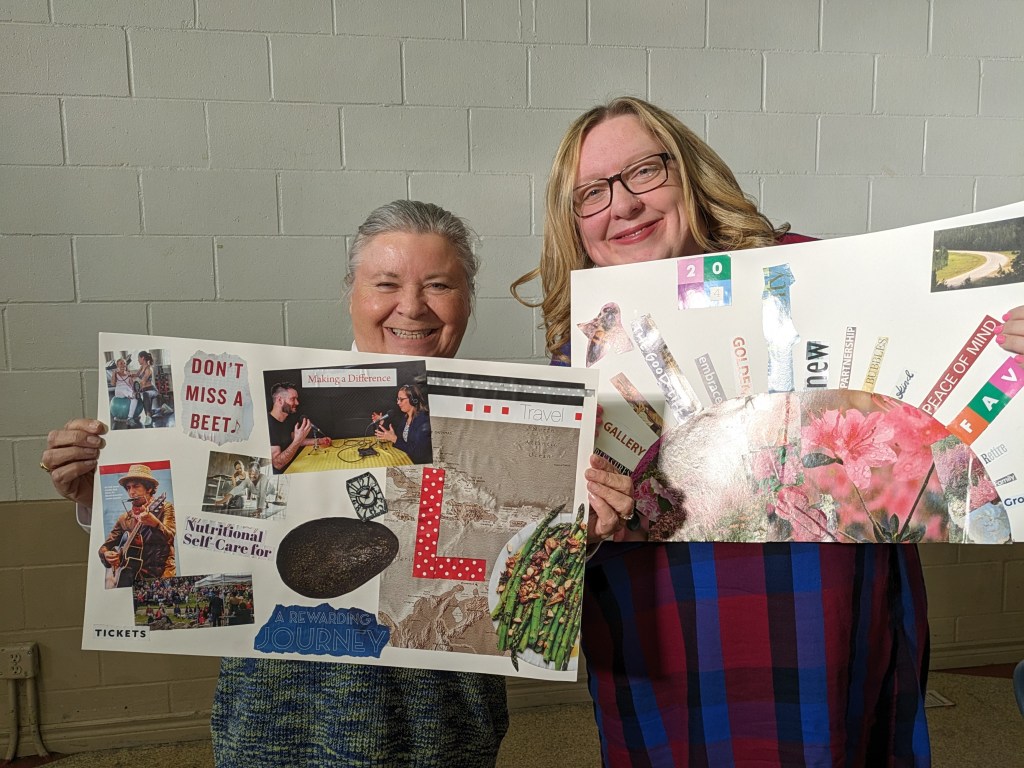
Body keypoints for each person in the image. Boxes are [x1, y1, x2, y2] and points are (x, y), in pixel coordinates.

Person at [513, 96, 1024, 767]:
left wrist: (1004, 328)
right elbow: (550, 546)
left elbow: (951, 313)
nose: (624, 204)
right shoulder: (584, 343)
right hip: (657, 630)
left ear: (689, 174)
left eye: (644, 172)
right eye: (593, 193)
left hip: (815, 614)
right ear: (574, 222)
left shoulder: (802, 271)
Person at [47, 199, 624, 767]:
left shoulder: (516, 422)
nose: (412, 307)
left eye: (439, 285)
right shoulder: (264, 406)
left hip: (445, 733)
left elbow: (514, 566)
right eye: (387, 283)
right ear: (351, 291)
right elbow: (189, 568)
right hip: (275, 731)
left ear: (468, 299)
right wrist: (94, 496)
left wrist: (581, 532)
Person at [98, 463, 176, 587]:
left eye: (136, 486)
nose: (131, 492)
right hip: (132, 577)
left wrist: (155, 523)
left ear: (149, 488)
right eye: (128, 488)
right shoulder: (124, 518)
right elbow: (105, 547)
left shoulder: (164, 507)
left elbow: (171, 536)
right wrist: (106, 555)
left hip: (162, 573)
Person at [267, 382, 331, 474]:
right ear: (280, 400)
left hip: (294, 466)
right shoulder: (268, 425)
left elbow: (295, 439)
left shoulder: (287, 419)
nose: (297, 402)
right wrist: (298, 440)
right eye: (293, 399)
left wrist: (319, 441)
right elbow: (277, 464)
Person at [373, 383, 432, 464]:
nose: (398, 402)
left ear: (413, 400)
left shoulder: (424, 421)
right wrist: (383, 423)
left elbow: (418, 453)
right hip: (405, 457)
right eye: (398, 399)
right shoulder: (406, 417)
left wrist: (394, 439)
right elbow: (402, 440)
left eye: (401, 399)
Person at [108, 356, 142, 428]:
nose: (123, 365)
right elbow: (113, 384)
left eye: (124, 363)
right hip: (119, 391)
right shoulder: (116, 373)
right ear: (117, 365)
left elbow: (130, 384)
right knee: (125, 390)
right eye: (121, 363)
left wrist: (131, 378)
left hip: (128, 390)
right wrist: (114, 374)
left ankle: (130, 418)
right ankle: (133, 394)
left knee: (135, 399)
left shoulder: (128, 373)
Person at [135, 351, 160, 426]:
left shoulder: (148, 369)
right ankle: (162, 409)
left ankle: (148, 417)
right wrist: (127, 375)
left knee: (145, 394)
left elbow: (142, 382)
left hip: (152, 390)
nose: (138, 360)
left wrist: (134, 388)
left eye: (138, 358)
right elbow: (136, 375)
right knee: (148, 409)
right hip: (145, 391)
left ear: (143, 358)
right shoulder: (141, 367)